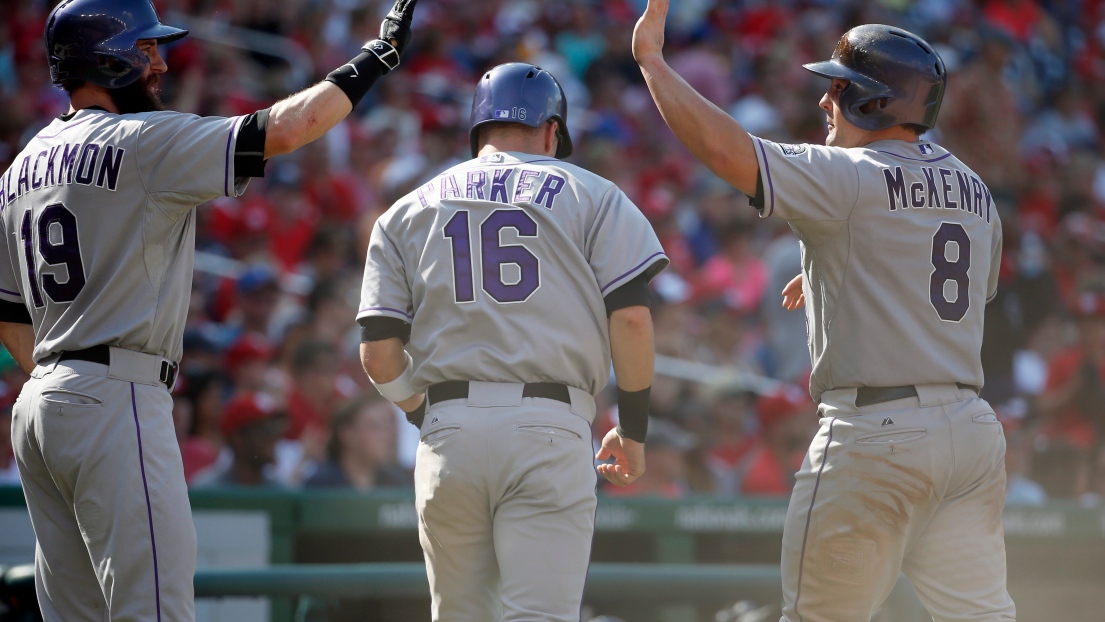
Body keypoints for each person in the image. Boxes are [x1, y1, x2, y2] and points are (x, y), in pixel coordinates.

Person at [0, 0, 420, 619]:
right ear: (107, 58)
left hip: (39, 409)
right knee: (156, 610)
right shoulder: (142, 141)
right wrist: (374, 58)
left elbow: (12, 321)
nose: (161, 64)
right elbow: (285, 128)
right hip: (116, 393)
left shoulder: (20, 168)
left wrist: (64, 384)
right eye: (145, 51)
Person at [633, 2, 1015, 620]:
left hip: (878, 437)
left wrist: (652, 63)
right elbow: (969, 287)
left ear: (874, 103)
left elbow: (729, 152)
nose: (824, 102)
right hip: (971, 435)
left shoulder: (848, 175)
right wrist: (854, 271)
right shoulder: (974, 187)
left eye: (839, 88)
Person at [357, 62, 667, 621]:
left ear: (477, 131)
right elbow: (633, 322)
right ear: (553, 131)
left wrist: (420, 410)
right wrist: (635, 428)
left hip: (447, 430)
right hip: (548, 425)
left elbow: (377, 353)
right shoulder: (592, 194)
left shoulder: (406, 209)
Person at [304, 393, 413, 489]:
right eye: (377, 426)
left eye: (388, 427)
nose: (387, 436)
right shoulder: (323, 485)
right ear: (347, 434)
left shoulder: (397, 482)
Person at [192, 392, 287, 488]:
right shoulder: (207, 490)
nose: (274, 437)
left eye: (276, 429)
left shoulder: (282, 493)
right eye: (266, 430)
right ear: (237, 438)